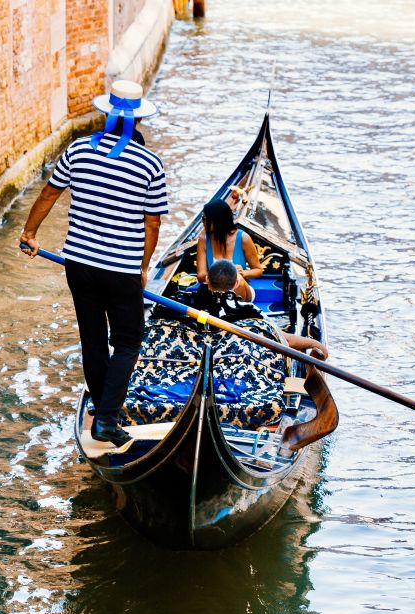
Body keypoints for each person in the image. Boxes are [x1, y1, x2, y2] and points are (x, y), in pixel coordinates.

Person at [19, 80, 166, 447]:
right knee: (130, 341)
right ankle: (107, 419)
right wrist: (144, 265)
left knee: (94, 340)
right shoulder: (150, 164)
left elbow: (50, 192)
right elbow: (153, 222)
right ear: (138, 120)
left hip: (79, 263)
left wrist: (29, 233)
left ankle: (102, 409)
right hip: (122, 268)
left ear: (107, 114)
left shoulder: (78, 150)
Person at [196, 260, 328, 360]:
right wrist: (313, 343)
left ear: (207, 279)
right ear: (237, 283)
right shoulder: (249, 310)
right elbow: (284, 340)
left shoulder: (189, 306)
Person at [196, 199, 263, 301]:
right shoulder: (203, 239)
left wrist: (243, 273)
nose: (202, 222)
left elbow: (258, 270)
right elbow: (201, 276)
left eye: (205, 219)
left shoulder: (243, 238)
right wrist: (218, 276)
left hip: (241, 290)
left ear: (217, 220)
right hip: (214, 291)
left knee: (238, 280)